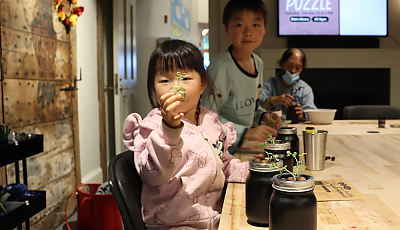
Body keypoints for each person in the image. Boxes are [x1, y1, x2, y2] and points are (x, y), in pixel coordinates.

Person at [122, 40, 249, 230]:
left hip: (216, 218)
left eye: (185, 78)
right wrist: (169, 128)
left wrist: (254, 172)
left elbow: (223, 162)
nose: (175, 87)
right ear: (154, 89)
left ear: (202, 84)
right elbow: (153, 174)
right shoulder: (151, 127)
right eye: (165, 81)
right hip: (173, 224)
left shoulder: (210, 122)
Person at [200, 0, 281, 154]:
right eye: (239, 25)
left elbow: (250, 106)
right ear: (226, 29)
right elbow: (206, 117)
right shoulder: (221, 67)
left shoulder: (258, 62)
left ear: (264, 29)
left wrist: (263, 115)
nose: (248, 32)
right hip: (218, 151)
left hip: (243, 147)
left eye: (255, 25)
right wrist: (246, 133)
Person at [260, 48, 317, 121]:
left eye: (298, 68)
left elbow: (313, 113)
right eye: (290, 66)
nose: (293, 71)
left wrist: (303, 115)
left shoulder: (305, 89)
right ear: (282, 64)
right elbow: (255, 110)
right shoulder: (267, 85)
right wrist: (271, 101)